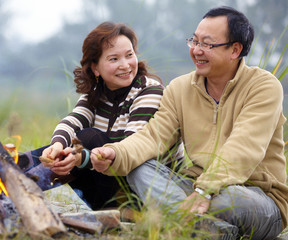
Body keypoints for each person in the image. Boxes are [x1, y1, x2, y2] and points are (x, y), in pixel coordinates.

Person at [90, 6, 288, 239]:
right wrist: (116, 152)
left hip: (256, 197)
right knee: (139, 167)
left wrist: (206, 190)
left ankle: (180, 221)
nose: (196, 50)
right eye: (194, 41)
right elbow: (153, 136)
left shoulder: (264, 86)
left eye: (207, 44)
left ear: (235, 50)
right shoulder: (180, 88)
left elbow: (243, 147)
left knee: (230, 198)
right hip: (195, 190)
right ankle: (206, 230)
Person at [26, 21, 182, 210]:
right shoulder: (95, 94)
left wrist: (79, 158)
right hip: (109, 185)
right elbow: (73, 121)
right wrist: (57, 146)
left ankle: (16, 186)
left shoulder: (149, 91)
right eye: (114, 59)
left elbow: (130, 149)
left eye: (129, 55)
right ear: (95, 68)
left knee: (87, 139)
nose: (125, 65)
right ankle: (5, 186)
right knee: (64, 148)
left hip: (150, 186)